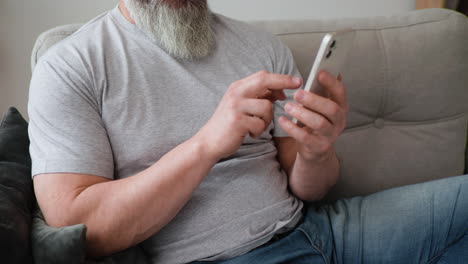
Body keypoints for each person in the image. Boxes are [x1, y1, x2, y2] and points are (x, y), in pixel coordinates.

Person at [28, 0, 467, 263]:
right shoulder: (71, 67)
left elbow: (310, 188)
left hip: (320, 229)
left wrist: (318, 151)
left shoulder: (260, 46)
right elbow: (77, 226)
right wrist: (206, 145)